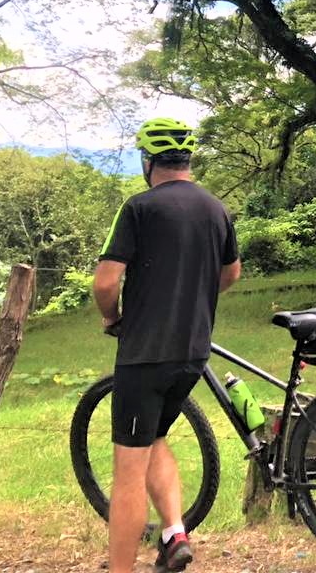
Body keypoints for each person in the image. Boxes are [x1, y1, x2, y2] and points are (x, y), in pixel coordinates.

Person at [93, 117, 241, 573]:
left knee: (128, 475)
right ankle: (175, 531)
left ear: (148, 160)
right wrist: (189, 295)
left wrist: (112, 316)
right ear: (187, 159)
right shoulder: (217, 209)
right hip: (193, 354)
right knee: (154, 437)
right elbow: (231, 274)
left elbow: (105, 281)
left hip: (144, 354)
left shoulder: (138, 208)